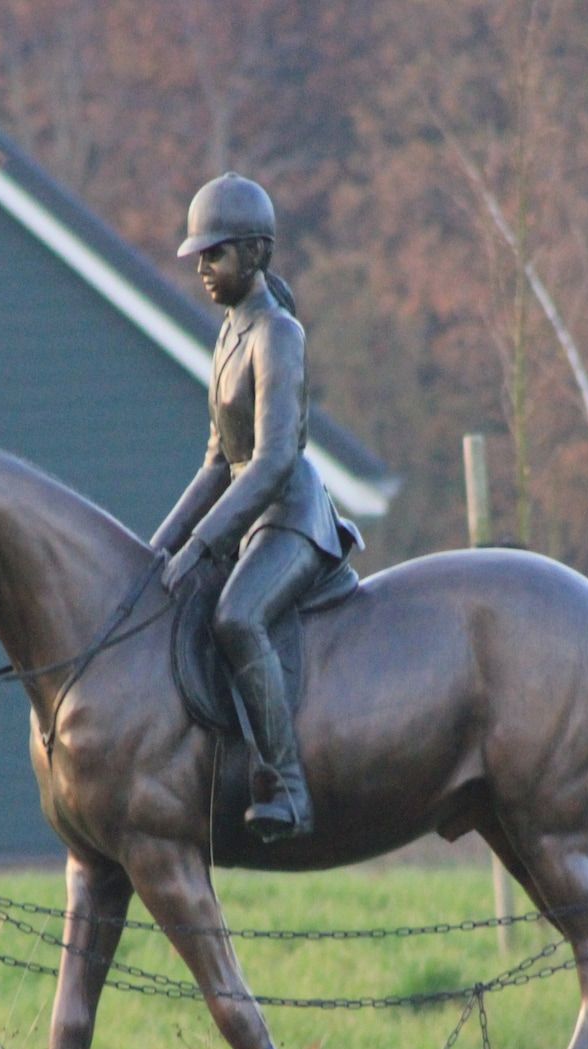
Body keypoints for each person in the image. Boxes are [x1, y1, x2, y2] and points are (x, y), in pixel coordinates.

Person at [153, 173, 363, 842]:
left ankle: (288, 783)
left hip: (292, 516)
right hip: (250, 515)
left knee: (238, 616)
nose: (205, 269)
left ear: (257, 253)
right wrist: (157, 550)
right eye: (200, 257)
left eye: (216, 254)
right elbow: (218, 461)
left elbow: (272, 460)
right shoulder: (229, 335)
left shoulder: (279, 334)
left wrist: (205, 546)